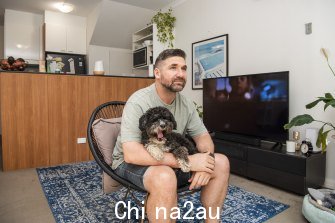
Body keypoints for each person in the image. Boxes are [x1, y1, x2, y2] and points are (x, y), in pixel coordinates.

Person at [112, 49, 230, 222]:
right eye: (173, 68)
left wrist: (206, 161)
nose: (180, 74)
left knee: (221, 162)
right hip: (129, 163)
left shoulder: (187, 103)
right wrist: (190, 162)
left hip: (168, 156)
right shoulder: (138, 101)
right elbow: (131, 154)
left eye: (183, 68)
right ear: (157, 73)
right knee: (164, 176)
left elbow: (203, 138)